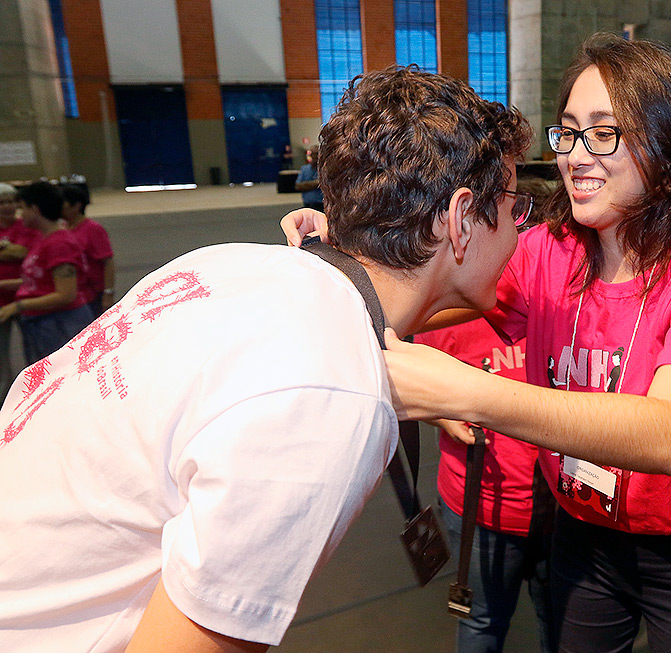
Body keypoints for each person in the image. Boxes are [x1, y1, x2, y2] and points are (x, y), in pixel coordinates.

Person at [0, 66, 532, 652]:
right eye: (513, 208)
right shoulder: (328, 392)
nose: (518, 232)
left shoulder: (225, 263)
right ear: (460, 220)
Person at [286, 34, 671, 652]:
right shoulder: (547, 254)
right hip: (583, 533)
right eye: (567, 132)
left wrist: (470, 393)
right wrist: (349, 249)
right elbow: (414, 296)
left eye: (604, 131)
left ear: (669, 143)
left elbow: (670, 434)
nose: (576, 155)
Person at [414, 176, 558, 653]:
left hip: (562, 509)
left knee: (563, 625)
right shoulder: (452, 312)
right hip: (481, 507)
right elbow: (411, 380)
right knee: (481, 626)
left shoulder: (560, 308)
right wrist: (442, 415)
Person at [0, 181, 92, 365]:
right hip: (42, 323)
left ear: (35, 209)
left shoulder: (59, 243)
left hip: (61, 323)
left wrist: (18, 306)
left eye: (23, 208)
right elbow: (38, 281)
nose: (21, 214)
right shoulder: (43, 239)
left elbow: (66, 294)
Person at [0, 183, 40, 397]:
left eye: (11, 202)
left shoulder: (25, 226)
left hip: (28, 297)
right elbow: (16, 252)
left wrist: (12, 251)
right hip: (1, 301)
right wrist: (11, 250)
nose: (7, 206)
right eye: (2, 202)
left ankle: (36, 392)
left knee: (35, 351)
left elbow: (25, 252)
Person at [61, 183, 116, 316]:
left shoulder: (93, 229)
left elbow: (108, 262)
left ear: (77, 205)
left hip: (93, 294)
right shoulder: (62, 228)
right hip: (74, 292)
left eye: (62, 204)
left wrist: (108, 293)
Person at [295, 146, 324, 212]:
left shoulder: (326, 169)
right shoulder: (304, 169)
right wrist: (316, 183)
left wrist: (307, 184)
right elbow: (298, 186)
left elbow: (326, 184)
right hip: (308, 204)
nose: (315, 156)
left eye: (317, 153)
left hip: (321, 204)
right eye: (313, 154)